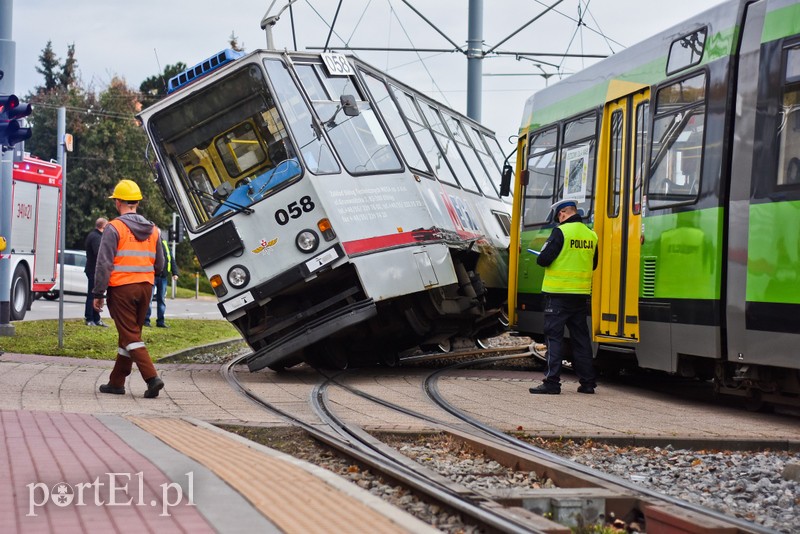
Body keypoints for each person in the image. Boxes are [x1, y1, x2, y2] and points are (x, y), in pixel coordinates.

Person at [93, 179, 166, 399]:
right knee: (129, 335)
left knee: (131, 335)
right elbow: (160, 265)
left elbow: (104, 263)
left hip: (122, 288)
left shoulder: (114, 227)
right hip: (146, 287)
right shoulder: (154, 230)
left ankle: (152, 377)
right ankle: (116, 382)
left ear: (118, 202)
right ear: (137, 202)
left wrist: (98, 293)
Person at [529, 199, 598, 395]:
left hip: (557, 296)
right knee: (581, 340)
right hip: (580, 296)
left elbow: (543, 259)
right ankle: (587, 383)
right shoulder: (592, 235)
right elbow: (593, 264)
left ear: (562, 214)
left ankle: (552, 383)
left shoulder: (561, 232)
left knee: (554, 338)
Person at [144, 231, 179, 328]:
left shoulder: (164, 243)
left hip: (163, 277)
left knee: (161, 300)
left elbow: (170, 258)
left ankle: (160, 321)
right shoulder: (149, 243)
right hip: (152, 275)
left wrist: (175, 272)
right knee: (149, 299)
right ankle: (146, 320)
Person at [84, 217, 108, 327]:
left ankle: (96, 318)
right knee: (93, 295)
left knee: (97, 295)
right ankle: (90, 318)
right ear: (103, 226)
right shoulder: (96, 237)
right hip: (94, 270)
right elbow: (99, 253)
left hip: (95, 270)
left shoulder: (95, 235)